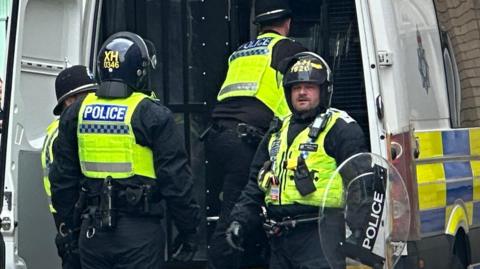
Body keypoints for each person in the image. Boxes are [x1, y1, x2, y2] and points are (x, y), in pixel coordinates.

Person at [49, 31, 200, 269]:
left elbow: (61, 180)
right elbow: (176, 181)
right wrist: (189, 231)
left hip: (92, 232)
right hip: (139, 233)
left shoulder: (76, 113)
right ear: (139, 72)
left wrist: (72, 228)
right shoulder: (151, 114)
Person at [225, 52, 368, 269]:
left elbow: (362, 184)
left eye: (309, 86)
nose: (301, 92)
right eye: (296, 87)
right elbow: (255, 183)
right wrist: (240, 220)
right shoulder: (277, 131)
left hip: (320, 236)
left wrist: (358, 232)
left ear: (323, 90)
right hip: (280, 239)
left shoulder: (341, 128)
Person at [206, 0, 306, 268]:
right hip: (246, 142)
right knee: (237, 215)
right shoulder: (290, 49)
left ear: (260, 27)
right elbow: (294, 99)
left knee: (240, 210)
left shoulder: (240, 51)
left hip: (218, 139)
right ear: (287, 24)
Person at [41, 65, 98, 269]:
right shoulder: (62, 135)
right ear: (69, 101)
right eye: (88, 95)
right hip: (73, 223)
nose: (94, 100)